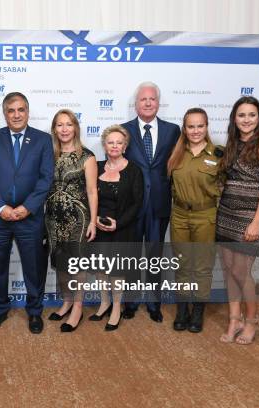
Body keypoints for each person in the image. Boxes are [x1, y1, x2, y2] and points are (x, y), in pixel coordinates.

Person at [0, 92, 54, 334]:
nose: (16, 114)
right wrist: (0, 207)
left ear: (28, 112)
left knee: (34, 267)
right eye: (11, 111)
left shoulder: (42, 140)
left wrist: (26, 207)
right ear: (4, 114)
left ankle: (34, 312)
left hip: (29, 217)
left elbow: (46, 178)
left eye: (21, 109)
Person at [216, 96, 259, 345]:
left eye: (251, 115)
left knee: (242, 271)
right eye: (241, 115)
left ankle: (252, 320)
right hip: (226, 213)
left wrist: (256, 221)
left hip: (250, 216)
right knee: (229, 270)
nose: (246, 119)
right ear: (235, 118)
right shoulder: (232, 143)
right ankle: (235, 319)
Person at [121, 81, 180, 322]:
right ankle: (131, 301)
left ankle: (154, 302)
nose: (148, 103)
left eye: (152, 99)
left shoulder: (173, 130)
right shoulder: (122, 130)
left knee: (155, 256)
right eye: (143, 99)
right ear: (135, 104)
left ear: (158, 103)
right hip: (132, 205)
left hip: (159, 204)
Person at [167, 108, 222, 333]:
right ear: (185, 128)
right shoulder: (176, 153)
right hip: (179, 214)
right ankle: (182, 310)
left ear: (207, 127)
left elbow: (227, 186)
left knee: (202, 267)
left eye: (200, 126)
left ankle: (198, 311)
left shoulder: (219, 154)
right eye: (191, 126)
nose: (196, 131)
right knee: (181, 265)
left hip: (205, 215)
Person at [44, 109, 97, 333]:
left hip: (79, 219)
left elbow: (93, 191)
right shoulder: (48, 155)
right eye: (59, 125)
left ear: (75, 127)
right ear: (54, 129)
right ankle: (66, 301)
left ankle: (77, 307)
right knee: (61, 264)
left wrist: (94, 221)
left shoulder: (87, 156)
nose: (64, 129)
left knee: (76, 266)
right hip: (53, 219)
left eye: (68, 124)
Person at [91, 125, 143, 331]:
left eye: (118, 142)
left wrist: (118, 223)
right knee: (102, 270)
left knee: (117, 271)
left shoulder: (134, 170)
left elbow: (137, 204)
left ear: (125, 146)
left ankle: (117, 307)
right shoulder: (97, 166)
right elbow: (89, 195)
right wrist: (93, 219)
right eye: (110, 142)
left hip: (122, 229)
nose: (114, 146)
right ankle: (104, 303)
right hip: (99, 228)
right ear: (104, 145)